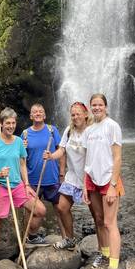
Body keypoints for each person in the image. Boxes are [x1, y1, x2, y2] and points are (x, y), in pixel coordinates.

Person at [0, 107, 46, 269]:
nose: (10, 126)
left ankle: (31, 236)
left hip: (17, 185)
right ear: (1, 124)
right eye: (7, 123)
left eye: (13, 123)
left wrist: (26, 184)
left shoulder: (18, 141)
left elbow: (23, 164)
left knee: (40, 210)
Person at [82, 93, 124, 269]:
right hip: (92, 180)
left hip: (109, 180)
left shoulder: (112, 126)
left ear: (105, 107)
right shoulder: (89, 130)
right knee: (99, 220)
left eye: (100, 105)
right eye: (94, 105)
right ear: (90, 107)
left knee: (109, 222)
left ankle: (113, 267)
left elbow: (118, 157)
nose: (97, 108)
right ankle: (105, 255)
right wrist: (85, 185)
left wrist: (113, 185)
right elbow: (87, 160)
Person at [43, 101, 92, 250]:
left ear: (85, 115)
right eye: (73, 114)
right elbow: (62, 150)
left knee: (97, 215)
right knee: (62, 207)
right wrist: (51, 156)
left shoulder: (91, 132)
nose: (76, 117)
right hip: (73, 177)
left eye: (78, 114)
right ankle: (70, 239)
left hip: (89, 178)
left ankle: (104, 249)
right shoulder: (68, 130)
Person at [22, 103, 62, 244]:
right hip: (32, 179)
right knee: (31, 211)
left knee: (60, 209)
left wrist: (61, 173)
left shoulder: (52, 130)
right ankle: (29, 237)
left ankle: (66, 238)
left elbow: (61, 151)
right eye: (35, 112)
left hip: (52, 177)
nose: (38, 113)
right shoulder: (25, 134)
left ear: (44, 115)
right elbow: (21, 158)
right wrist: (23, 148)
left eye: (41, 111)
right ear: (31, 116)